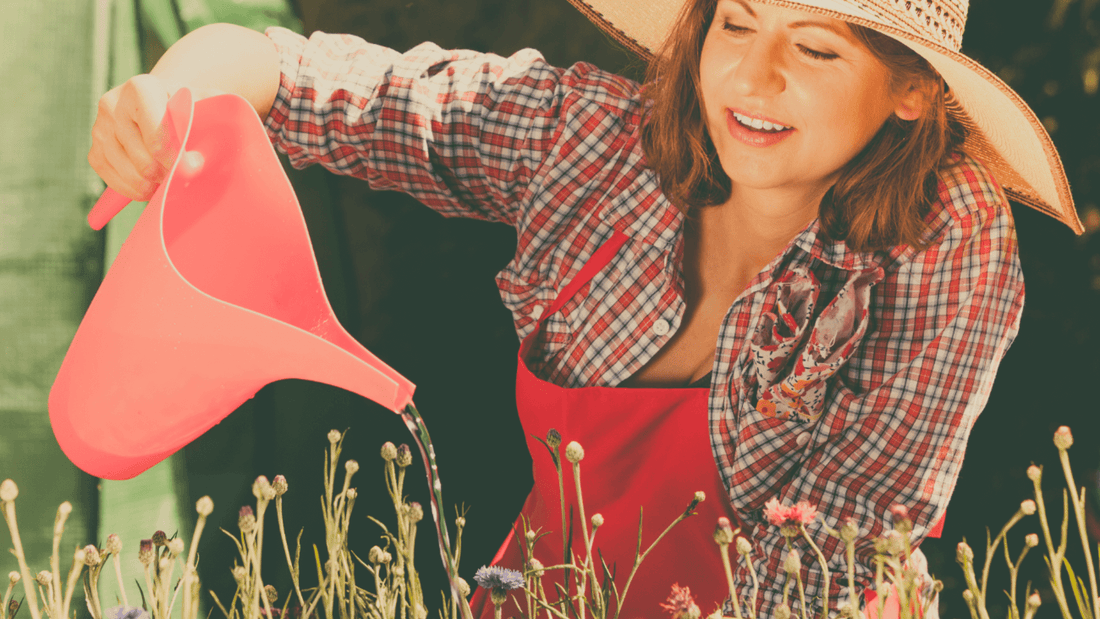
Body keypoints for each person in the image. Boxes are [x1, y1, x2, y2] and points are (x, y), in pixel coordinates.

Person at [87, 0, 1082, 617]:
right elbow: (306, 77)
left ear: (907, 89)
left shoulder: (943, 240)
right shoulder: (593, 148)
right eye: (734, 21)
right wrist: (172, 95)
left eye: (814, 49)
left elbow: (824, 560)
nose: (753, 75)